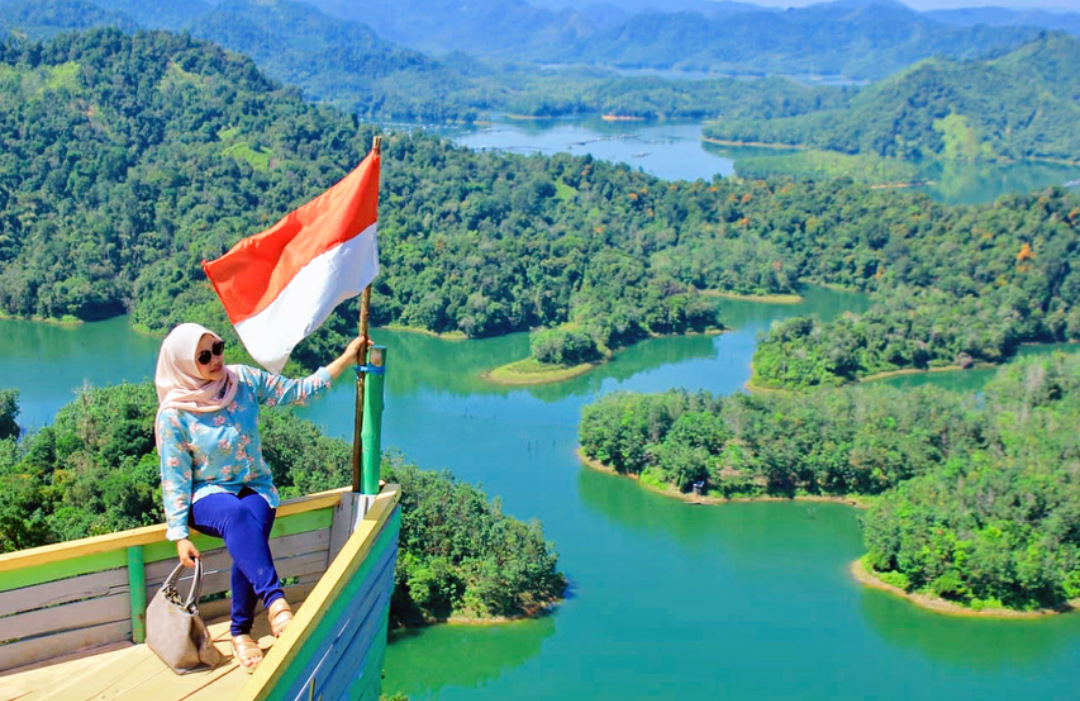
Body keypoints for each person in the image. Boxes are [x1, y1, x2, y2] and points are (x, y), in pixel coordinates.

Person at [154, 323, 369, 672]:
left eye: (218, 348)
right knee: (238, 518)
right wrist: (178, 534)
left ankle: (241, 632)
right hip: (206, 496)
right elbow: (174, 476)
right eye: (203, 356)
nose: (215, 360)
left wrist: (345, 358)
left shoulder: (241, 381)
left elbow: (298, 392)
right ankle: (275, 603)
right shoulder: (175, 413)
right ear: (183, 364)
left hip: (255, 485)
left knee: (248, 531)